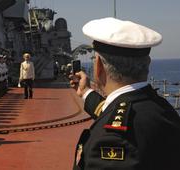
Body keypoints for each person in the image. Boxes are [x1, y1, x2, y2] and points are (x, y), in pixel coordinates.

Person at [71, 17, 180, 170]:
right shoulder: (162, 109)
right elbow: (119, 110)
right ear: (147, 64)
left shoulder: (113, 140)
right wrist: (85, 92)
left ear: (98, 66)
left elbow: (120, 116)